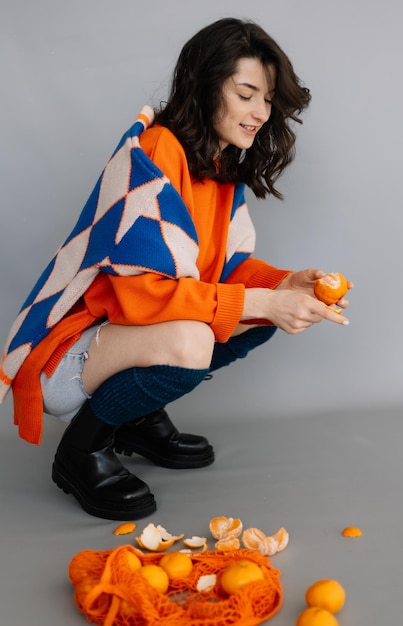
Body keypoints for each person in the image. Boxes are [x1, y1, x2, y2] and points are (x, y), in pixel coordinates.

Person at [0, 17, 351, 520]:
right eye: (247, 94)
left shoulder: (219, 163)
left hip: (123, 340)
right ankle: (79, 452)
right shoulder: (156, 152)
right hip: (70, 356)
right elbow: (147, 296)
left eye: (267, 99)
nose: (260, 112)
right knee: (194, 340)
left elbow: (228, 269)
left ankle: (135, 416)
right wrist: (265, 300)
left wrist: (284, 285)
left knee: (256, 319)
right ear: (207, 87)